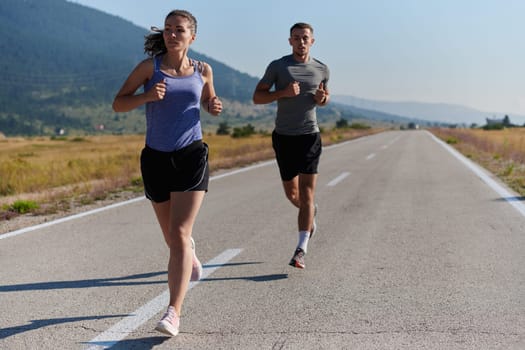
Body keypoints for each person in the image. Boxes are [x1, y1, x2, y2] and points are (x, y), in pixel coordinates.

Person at [112, 9, 222, 337]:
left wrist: (212, 105)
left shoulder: (203, 70)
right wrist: (146, 96)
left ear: (192, 36)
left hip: (191, 157)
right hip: (156, 159)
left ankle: (174, 311)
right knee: (173, 238)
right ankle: (189, 254)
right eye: (168, 29)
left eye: (180, 30)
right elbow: (119, 103)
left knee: (178, 234)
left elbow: (207, 101)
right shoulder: (150, 67)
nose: (172, 34)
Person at [252, 22, 329, 269]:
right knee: (292, 195)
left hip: (309, 136)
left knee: (306, 194)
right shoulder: (278, 66)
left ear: (312, 41)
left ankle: (300, 250)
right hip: (284, 137)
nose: (301, 42)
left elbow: (324, 98)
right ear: (290, 41)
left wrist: (322, 99)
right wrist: (282, 93)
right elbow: (257, 96)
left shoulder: (322, 69)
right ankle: (309, 215)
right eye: (296, 38)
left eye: (305, 38)